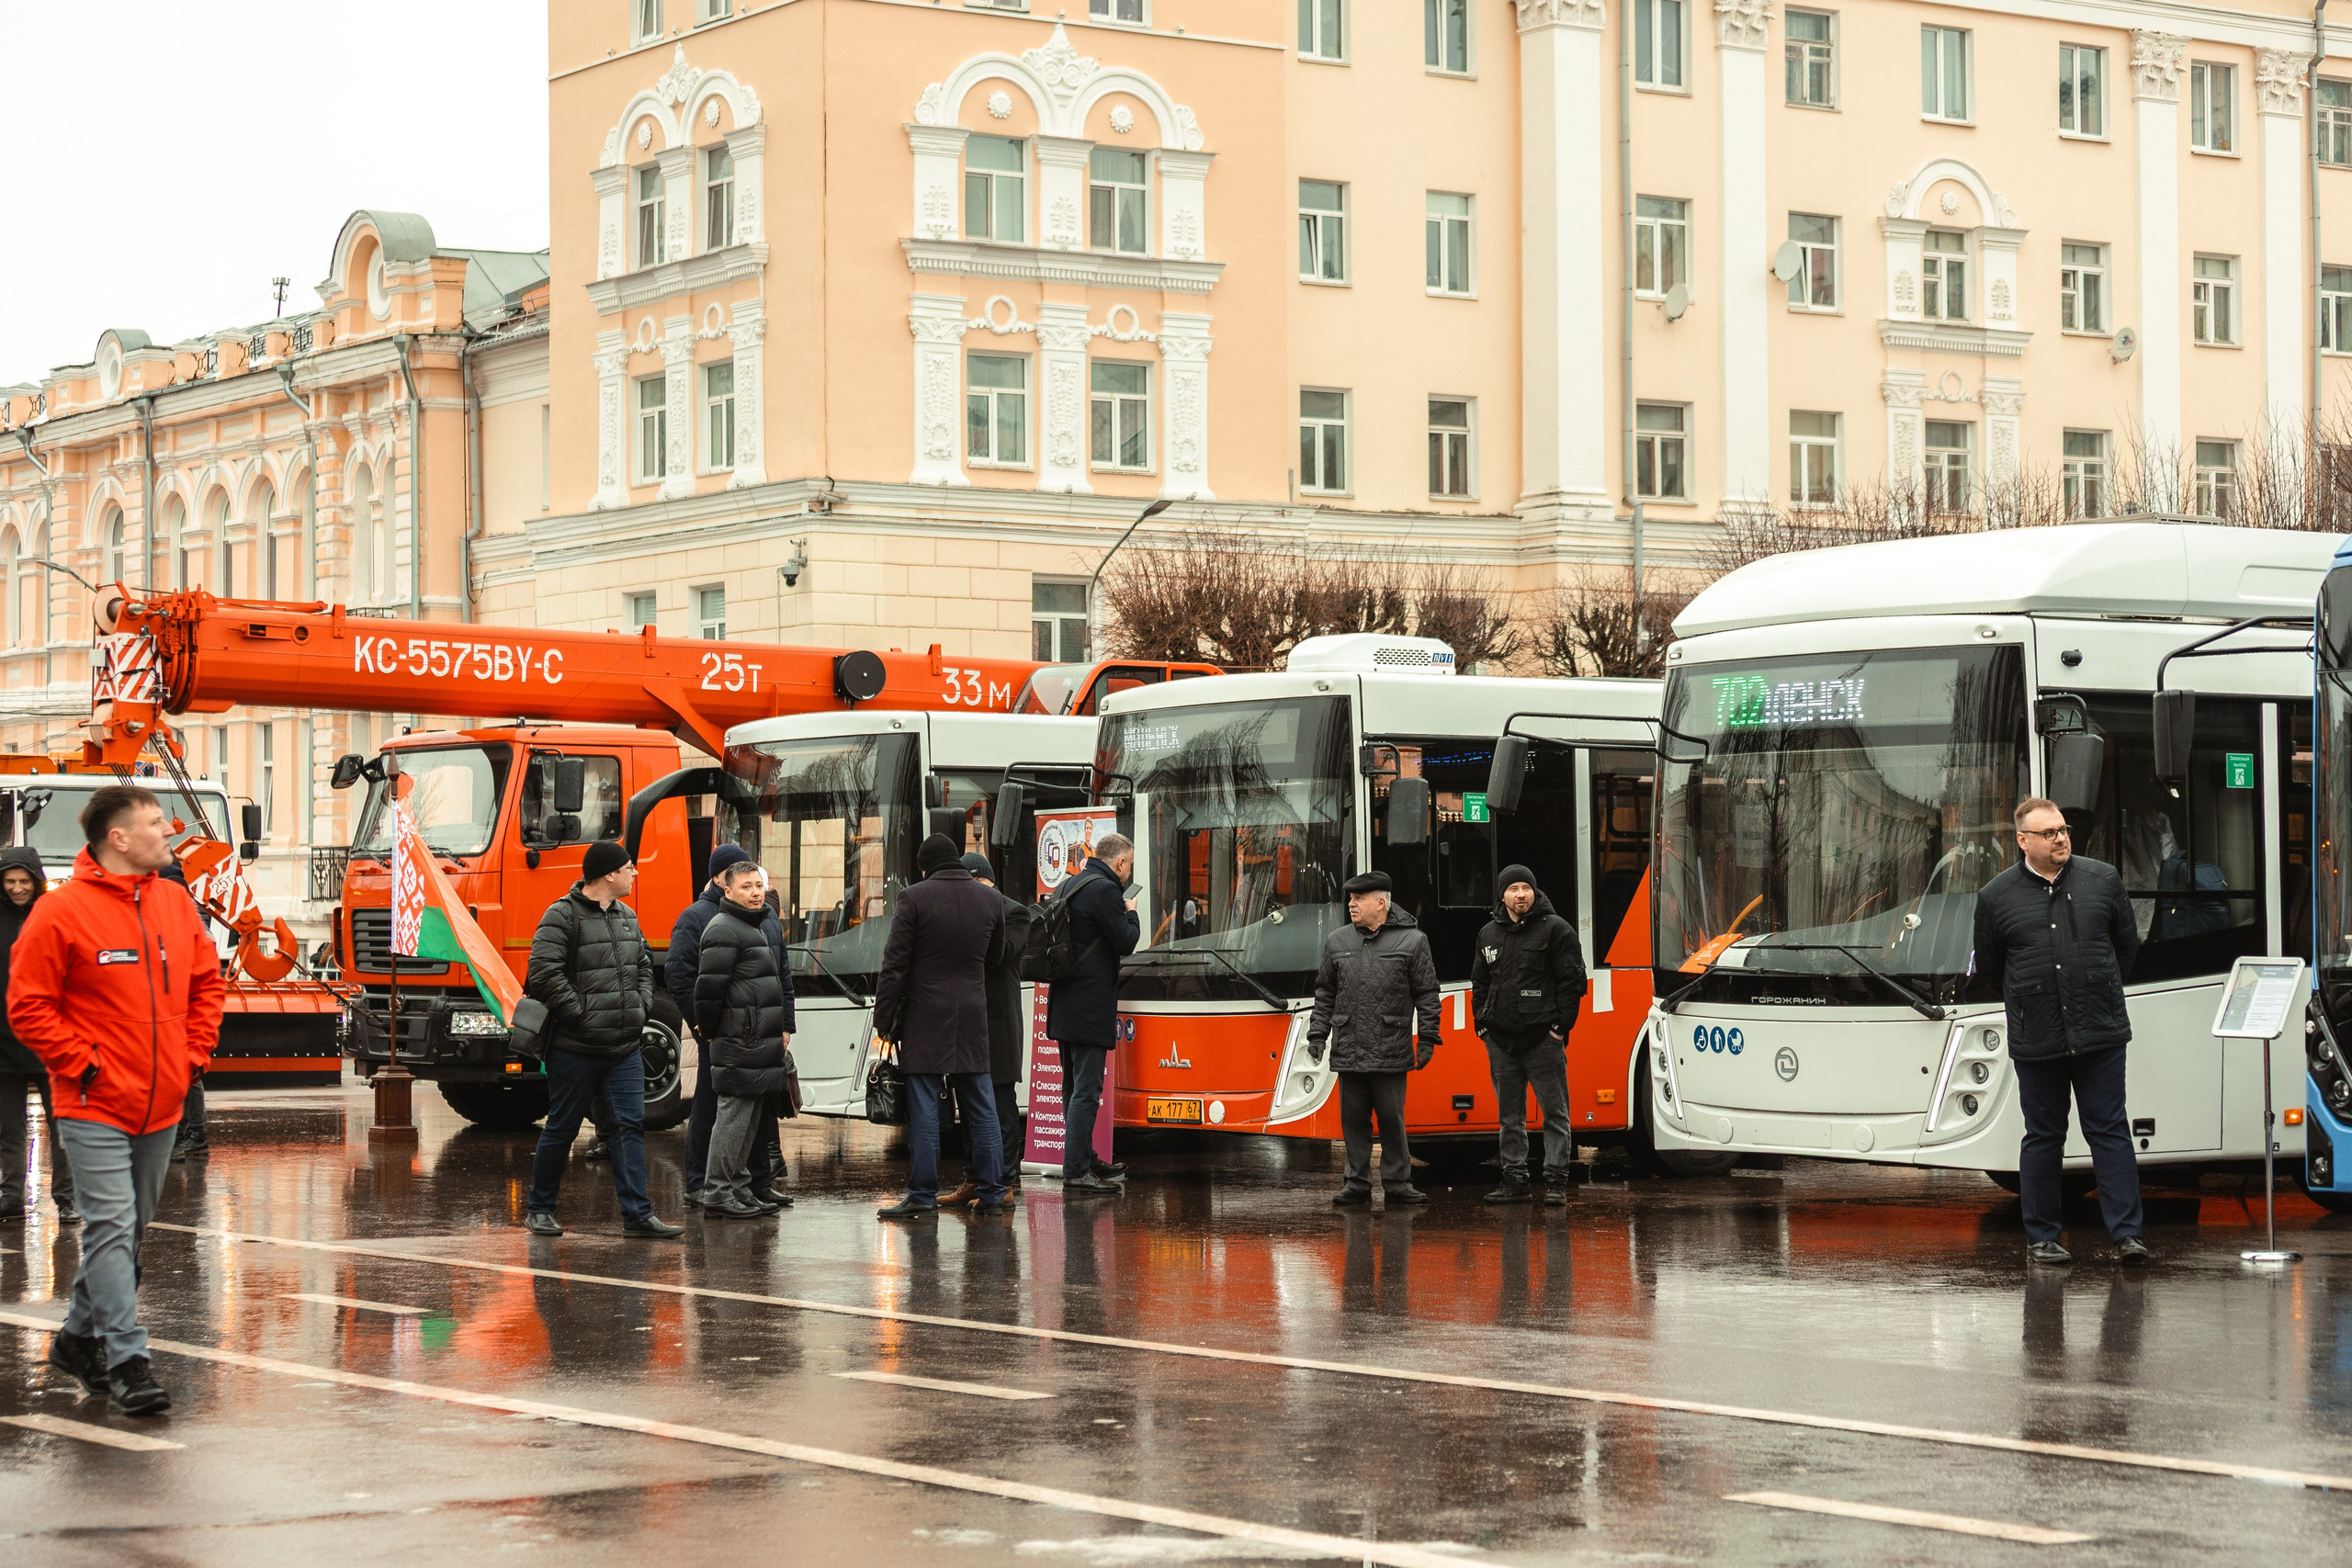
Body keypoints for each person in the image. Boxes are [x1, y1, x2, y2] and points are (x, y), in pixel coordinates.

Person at [11, 785, 225, 1415]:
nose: (168, 831)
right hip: (92, 1102)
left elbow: (207, 983)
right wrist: (85, 1064)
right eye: (156, 823)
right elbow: (28, 1005)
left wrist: (192, 1056)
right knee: (109, 1226)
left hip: (161, 1103)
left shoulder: (175, 903)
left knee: (126, 1234)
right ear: (119, 838)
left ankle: (77, 1340)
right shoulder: (61, 912)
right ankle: (128, 1358)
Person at [1973, 795, 2148, 1267]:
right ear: (2023, 840)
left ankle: (2127, 1235)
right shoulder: (1995, 897)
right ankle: (2043, 1238)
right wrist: (2033, 999)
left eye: (2064, 830)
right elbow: (1991, 969)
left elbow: (2125, 950)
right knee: (2043, 1136)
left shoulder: (2102, 880)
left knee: (2109, 1132)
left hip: (2100, 1031)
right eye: (2049, 833)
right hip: (2039, 1037)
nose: (2060, 839)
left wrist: (2097, 987)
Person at [519, 840, 681, 1239]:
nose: (634, 873)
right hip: (575, 1049)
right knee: (563, 1126)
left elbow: (644, 965)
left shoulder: (627, 916)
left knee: (630, 1127)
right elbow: (542, 975)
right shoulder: (561, 915)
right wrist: (582, 1015)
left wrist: (642, 1007)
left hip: (624, 1048)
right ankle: (539, 1209)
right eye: (629, 867)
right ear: (609, 874)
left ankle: (638, 1216)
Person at [870, 834, 1007, 1220]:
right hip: (972, 1016)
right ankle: (994, 1193)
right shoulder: (991, 900)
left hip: (925, 1019)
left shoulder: (914, 898)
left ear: (925, 866)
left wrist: (883, 1022)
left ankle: (922, 1195)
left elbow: (894, 965)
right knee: (982, 1109)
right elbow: (993, 958)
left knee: (925, 1110)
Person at [1307, 870, 1440, 1209]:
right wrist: (1317, 1034)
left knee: (1392, 1121)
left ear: (1381, 903)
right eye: (1350, 899)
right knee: (1353, 1122)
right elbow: (1325, 992)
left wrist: (1428, 1037)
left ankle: (1398, 1183)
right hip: (1349, 1047)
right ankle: (1357, 1184)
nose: (1351, 904)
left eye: (1359, 899)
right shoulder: (1337, 941)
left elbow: (1427, 994)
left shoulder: (1413, 941)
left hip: (1390, 1047)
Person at [669, 843, 785, 1206]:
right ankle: (701, 1184)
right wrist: (704, 1026)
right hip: (725, 1033)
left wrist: (785, 1025)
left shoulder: (765, 917)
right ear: (722, 880)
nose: (754, 889)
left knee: (756, 1110)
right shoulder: (701, 918)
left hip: (759, 1031)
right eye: (744, 881)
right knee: (714, 1107)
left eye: (757, 882)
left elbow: (781, 976)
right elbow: (683, 976)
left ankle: (754, 1183)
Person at [1470, 864, 1587, 1206]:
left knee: (1555, 1114)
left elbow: (1572, 984)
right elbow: (1480, 982)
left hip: (1542, 1041)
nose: (1520, 894)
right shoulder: (1487, 934)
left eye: (1526, 888)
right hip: (1501, 1042)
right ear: (1502, 895)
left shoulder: (1557, 930)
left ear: (1534, 892)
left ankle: (1554, 1183)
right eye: (1513, 889)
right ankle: (1515, 1181)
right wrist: (1483, 1025)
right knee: (1510, 1118)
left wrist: (1558, 1030)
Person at [693, 857, 797, 1218]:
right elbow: (708, 993)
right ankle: (717, 1192)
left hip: (757, 1042)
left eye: (758, 886)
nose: (756, 894)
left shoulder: (754, 924)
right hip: (740, 1042)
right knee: (733, 1119)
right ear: (727, 890)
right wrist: (710, 1032)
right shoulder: (724, 928)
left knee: (749, 1120)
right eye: (746, 888)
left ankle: (738, 1186)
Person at [1042, 833, 1139, 1194]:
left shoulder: (1071, 884)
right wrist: (1132, 913)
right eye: (1128, 864)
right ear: (1120, 863)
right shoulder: (1106, 892)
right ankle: (1076, 1170)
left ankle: (1084, 1157)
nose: (1128, 871)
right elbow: (1126, 942)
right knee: (1086, 1090)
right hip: (1088, 1007)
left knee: (1072, 1087)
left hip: (1064, 1004)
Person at [938, 852, 1031, 1204]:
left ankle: (1004, 1182)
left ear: (984, 881)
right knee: (969, 1103)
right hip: (966, 1021)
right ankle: (973, 1179)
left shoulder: (1014, 912)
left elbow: (1001, 953)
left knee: (1000, 1104)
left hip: (999, 1024)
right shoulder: (963, 911)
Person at [0, 846, 74, 1224]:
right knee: (8, 1129)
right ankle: (11, 1197)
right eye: (10, 881)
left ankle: (67, 1199)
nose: (16, 888)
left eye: (23, 881)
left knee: (63, 1126)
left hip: (50, 1041)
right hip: (3, 1043)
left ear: (36, 880)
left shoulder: (52, 916)